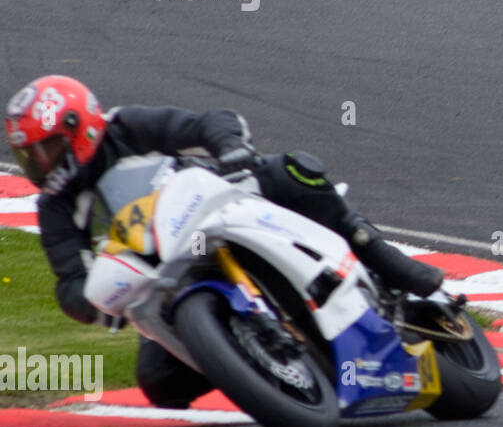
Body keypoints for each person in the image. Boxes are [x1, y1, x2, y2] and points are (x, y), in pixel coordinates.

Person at [4, 75, 442, 408]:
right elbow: (67, 278)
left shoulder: (125, 128)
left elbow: (205, 123)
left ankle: (380, 256)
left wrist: (229, 146)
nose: (40, 165)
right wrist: (92, 303)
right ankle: (252, 365)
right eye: (30, 156)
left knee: (292, 172)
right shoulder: (54, 206)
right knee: (159, 383)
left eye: (47, 149)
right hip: (163, 276)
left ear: (80, 128)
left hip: (214, 213)